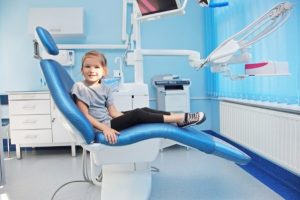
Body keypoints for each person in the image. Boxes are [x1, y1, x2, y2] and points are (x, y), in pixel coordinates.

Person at [71, 51, 206, 144]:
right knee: (138, 114)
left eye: (96, 67)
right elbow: (85, 116)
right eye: (87, 66)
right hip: (101, 126)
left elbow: (113, 113)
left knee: (144, 109)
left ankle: (178, 117)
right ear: (82, 69)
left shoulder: (105, 88)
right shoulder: (80, 87)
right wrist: (105, 128)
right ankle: (181, 118)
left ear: (104, 71)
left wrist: (127, 119)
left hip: (108, 120)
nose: (91, 70)